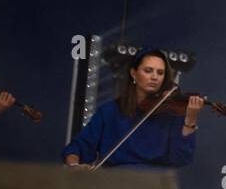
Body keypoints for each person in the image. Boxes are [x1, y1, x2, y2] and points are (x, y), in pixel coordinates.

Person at [63, 48, 201, 169]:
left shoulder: (171, 114)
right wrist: (74, 165)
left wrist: (190, 121)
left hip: (154, 185)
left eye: (160, 73)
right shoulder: (109, 111)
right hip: (114, 184)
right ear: (134, 74)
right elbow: (78, 147)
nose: (154, 77)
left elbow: (181, 160)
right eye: (148, 71)